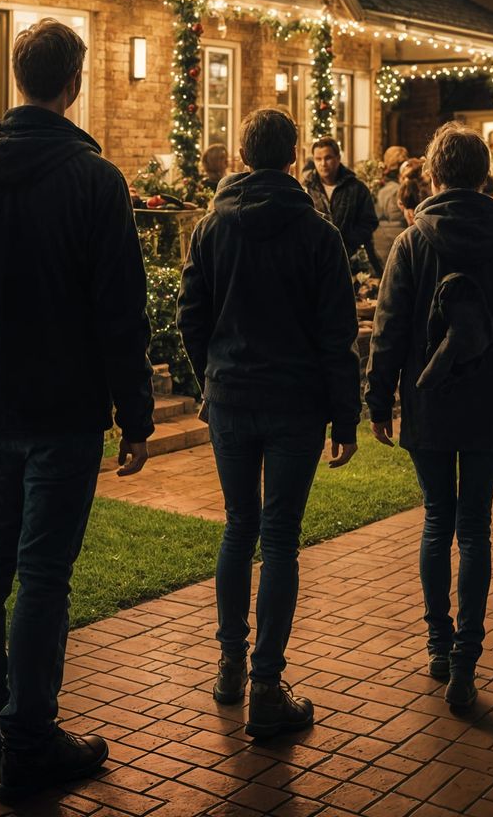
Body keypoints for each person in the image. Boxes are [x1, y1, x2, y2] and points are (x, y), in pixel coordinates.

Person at [0, 19, 154, 805]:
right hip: (63, 408)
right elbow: (122, 310)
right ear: (73, 84)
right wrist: (135, 413)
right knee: (44, 573)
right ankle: (29, 735)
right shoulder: (95, 182)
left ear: (20, 79)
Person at [177, 108, 360, 737]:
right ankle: (265, 684)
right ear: (294, 158)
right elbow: (337, 336)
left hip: (231, 394)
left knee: (238, 526)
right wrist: (346, 416)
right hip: (295, 402)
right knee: (279, 536)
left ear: (244, 158)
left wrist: (210, 377)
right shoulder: (317, 232)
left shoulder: (211, 228)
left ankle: (230, 667)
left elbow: (190, 314)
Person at [367, 125, 493, 713]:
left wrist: (377, 399)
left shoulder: (414, 243)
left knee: (436, 521)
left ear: (436, 176)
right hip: (490, 398)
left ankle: (439, 645)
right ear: (484, 175)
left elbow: (390, 328)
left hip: (429, 399)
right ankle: (466, 658)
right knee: (474, 527)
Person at [304, 137, 377, 264]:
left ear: (338, 158)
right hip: (317, 258)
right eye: (318, 159)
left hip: (351, 259)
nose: (323, 163)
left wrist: (348, 240)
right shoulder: (306, 189)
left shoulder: (356, 187)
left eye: (328, 158)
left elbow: (370, 221)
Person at [372, 145, 410, 266]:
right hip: (395, 242)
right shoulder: (399, 190)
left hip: (378, 243)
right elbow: (398, 220)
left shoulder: (376, 185)